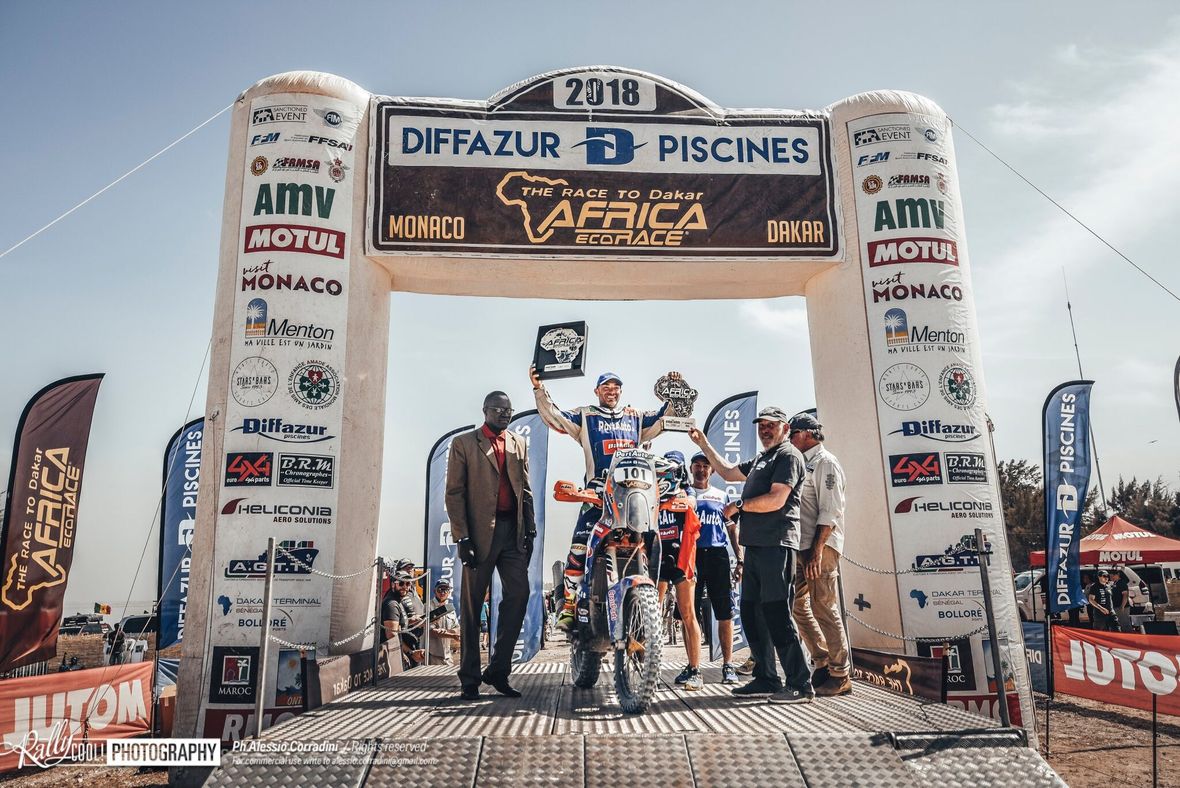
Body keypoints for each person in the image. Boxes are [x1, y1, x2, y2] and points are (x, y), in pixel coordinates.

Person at [531, 367, 672, 629]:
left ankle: (648, 605)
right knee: (579, 545)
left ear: (621, 391)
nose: (611, 391)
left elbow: (664, 419)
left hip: (633, 496)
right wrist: (539, 389)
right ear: (597, 391)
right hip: (597, 495)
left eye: (616, 387)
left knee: (649, 542)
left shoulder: (635, 417)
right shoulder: (586, 415)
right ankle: (569, 605)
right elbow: (556, 417)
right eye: (606, 387)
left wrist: (675, 394)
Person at [689, 406, 813, 704]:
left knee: (777, 613)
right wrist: (703, 443)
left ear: (785, 429)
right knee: (750, 613)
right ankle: (766, 678)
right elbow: (727, 472)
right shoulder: (761, 458)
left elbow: (777, 499)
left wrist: (740, 506)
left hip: (777, 544)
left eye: (772, 425)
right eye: (761, 425)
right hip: (755, 546)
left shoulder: (788, 456)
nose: (765, 430)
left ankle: (799, 684)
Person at [446, 391, 536, 700]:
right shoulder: (464, 443)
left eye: (508, 410)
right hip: (478, 535)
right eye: (498, 409)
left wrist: (530, 528)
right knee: (472, 607)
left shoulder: (518, 443)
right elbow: (454, 493)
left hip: (513, 533)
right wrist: (462, 537)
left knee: (519, 595)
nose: (504, 414)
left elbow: (525, 488)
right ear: (485, 410)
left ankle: (498, 670)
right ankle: (469, 678)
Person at [787, 412, 852, 696]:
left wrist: (817, 551)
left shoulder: (826, 462)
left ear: (806, 434)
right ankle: (822, 660)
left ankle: (841, 673)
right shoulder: (804, 463)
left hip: (820, 546)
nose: (789, 439)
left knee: (823, 606)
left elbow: (831, 511)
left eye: (792, 434)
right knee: (796, 605)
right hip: (801, 545)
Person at [688, 452, 742, 685]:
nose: (701, 470)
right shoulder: (684, 494)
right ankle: (692, 667)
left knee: (724, 612)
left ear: (711, 470)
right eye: (697, 465)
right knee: (689, 613)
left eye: (705, 466)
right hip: (692, 556)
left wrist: (740, 559)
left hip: (718, 555)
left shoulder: (721, 495)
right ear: (690, 468)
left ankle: (728, 665)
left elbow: (731, 529)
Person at [655, 451, 705, 690]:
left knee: (688, 614)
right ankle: (648, 669)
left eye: (674, 469)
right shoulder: (652, 490)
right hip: (656, 559)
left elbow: (692, 503)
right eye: (666, 469)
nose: (669, 474)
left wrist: (672, 498)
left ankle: (695, 670)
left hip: (681, 559)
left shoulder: (687, 490)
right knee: (650, 614)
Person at [382, 572, 425, 668]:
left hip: (402, 654)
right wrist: (410, 653)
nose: (405, 587)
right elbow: (392, 635)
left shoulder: (399, 600)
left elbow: (399, 624)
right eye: (401, 583)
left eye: (408, 583)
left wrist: (415, 620)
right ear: (393, 584)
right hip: (396, 656)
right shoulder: (392, 604)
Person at [427, 579, 461, 666]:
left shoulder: (450, 608)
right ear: (434, 591)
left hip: (448, 656)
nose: (442, 592)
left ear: (449, 592)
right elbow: (431, 631)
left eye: (445, 590)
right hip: (432, 656)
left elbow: (457, 627)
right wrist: (452, 635)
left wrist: (446, 632)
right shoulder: (428, 607)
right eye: (440, 589)